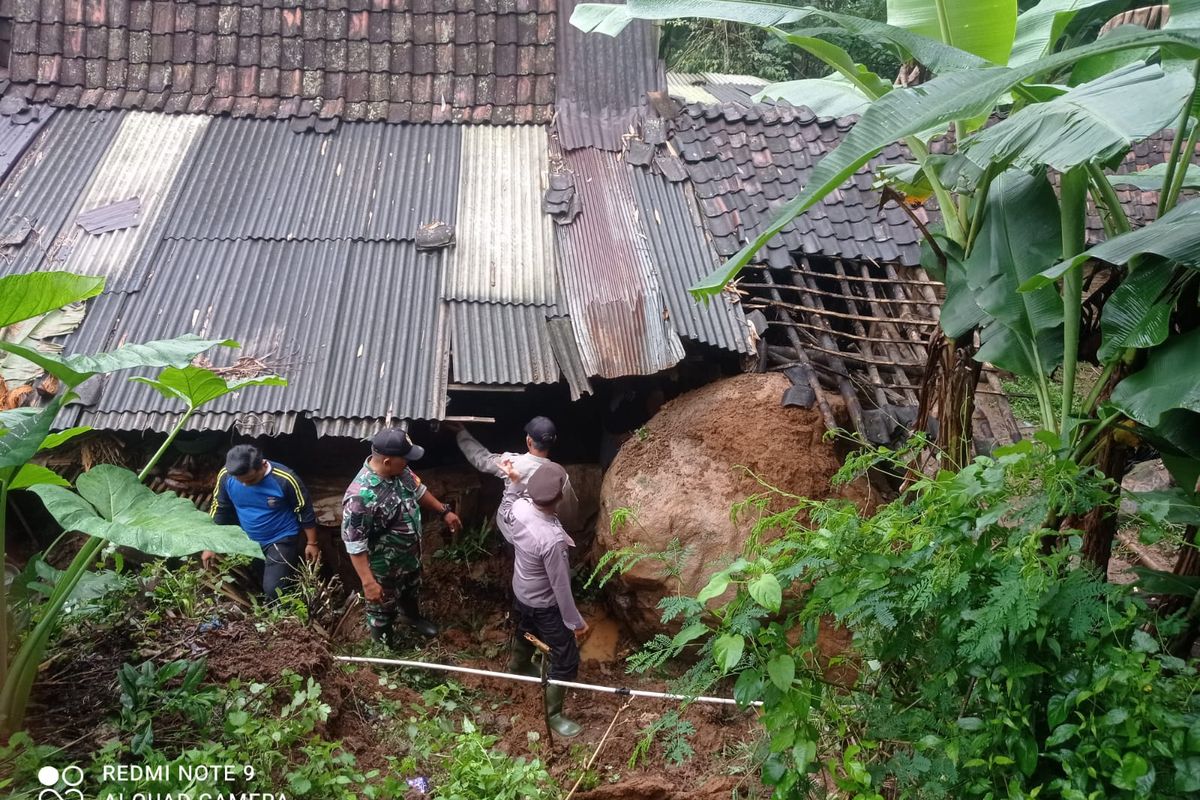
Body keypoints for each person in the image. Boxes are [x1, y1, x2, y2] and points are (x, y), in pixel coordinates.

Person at [342, 427, 462, 642]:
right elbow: (355, 544)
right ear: (387, 461)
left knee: (410, 590)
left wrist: (444, 511)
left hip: (409, 556)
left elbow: (418, 490)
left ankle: (411, 618)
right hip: (383, 568)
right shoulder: (360, 497)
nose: (408, 462)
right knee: (381, 609)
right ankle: (385, 646)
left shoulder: (401, 471)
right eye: (404, 459)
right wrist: (368, 582)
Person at [497, 459, 588, 737]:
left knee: (525, 628)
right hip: (544, 604)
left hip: (521, 591)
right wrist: (576, 623)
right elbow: (561, 587)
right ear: (559, 497)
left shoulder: (521, 508)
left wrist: (513, 483)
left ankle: (519, 665)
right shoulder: (551, 540)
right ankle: (555, 715)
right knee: (565, 658)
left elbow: (505, 509)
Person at [205, 445, 318, 601]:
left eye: (251, 480)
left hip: (281, 536)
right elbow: (219, 508)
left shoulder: (285, 479)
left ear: (263, 465)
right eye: (241, 481)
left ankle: (284, 615)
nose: (245, 485)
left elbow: (304, 509)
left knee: (273, 589)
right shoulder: (226, 475)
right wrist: (210, 544)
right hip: (250, 540)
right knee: (262, 578)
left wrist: (312, 543)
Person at [447, 416, 579, 530]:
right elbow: (569, 511)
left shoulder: (512, 463)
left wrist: (462, 433)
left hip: (510, 528)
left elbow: (482, 459)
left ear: (529, 441)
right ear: (554, 440)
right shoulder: (560, 476)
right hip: (540, 533)